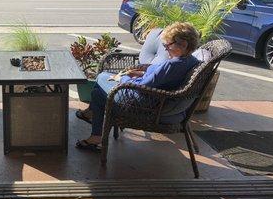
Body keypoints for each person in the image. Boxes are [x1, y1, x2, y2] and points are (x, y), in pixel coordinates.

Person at [75, 22, 201, 151]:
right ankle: (95, 133)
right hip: (153, 97)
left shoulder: (173, 65)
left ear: (183, 45)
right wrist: (142, 72)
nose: (165, 48)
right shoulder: (191, 61)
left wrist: (123, 78)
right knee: (97, 94)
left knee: (102, 76)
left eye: (167, 45)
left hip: (140, 101)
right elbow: (159, 77)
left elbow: (143, 85)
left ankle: (92, 115)